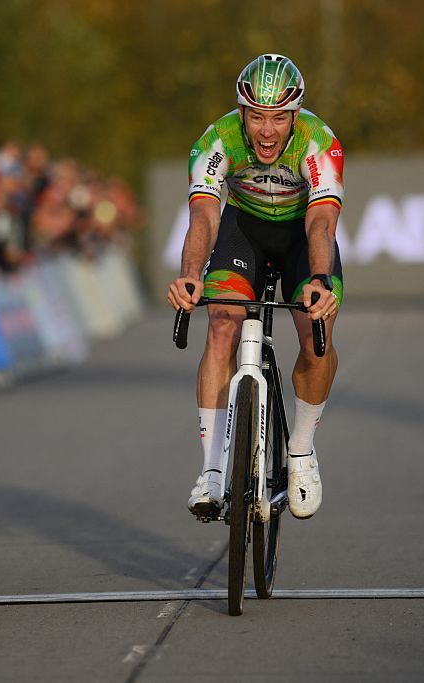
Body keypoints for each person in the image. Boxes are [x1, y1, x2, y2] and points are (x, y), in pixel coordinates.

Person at [166, 54, 344, 521]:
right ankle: (211, 471)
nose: (267, 131)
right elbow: (204, 215)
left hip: (301, 239)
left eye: (280, 118)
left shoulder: (318, 141)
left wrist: (321, 282)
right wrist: (191, 272)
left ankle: (301, 451)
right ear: (241, 112)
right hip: (242, 229)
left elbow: (322, 223)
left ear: (296, 115)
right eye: (258, 116)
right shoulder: (217, 140)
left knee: (316, 336)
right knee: (222, 322)